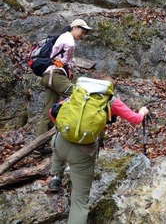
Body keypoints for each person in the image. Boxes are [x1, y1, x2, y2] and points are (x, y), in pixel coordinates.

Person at [47, 75, 150, 224]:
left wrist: (64, 131)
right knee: (80, 202)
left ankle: (55, 177)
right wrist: (142, 111)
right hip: (82, 153)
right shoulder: (111, 100)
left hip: (60, 144)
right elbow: (135, 119)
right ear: (110, 88)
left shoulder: (79, 93)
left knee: (58, 137)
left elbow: (52, 112)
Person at [36, 19, 92, 137]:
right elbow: (67, 59)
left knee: (48, 111)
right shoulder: (68, 40)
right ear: (75, 27)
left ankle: (39, 148)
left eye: (85, 33)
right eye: (83, 31)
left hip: (48, 75)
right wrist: (70, 67)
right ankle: (75, 130)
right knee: (80, 96)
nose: (83, 35)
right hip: (56, 75)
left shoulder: (63, 37)